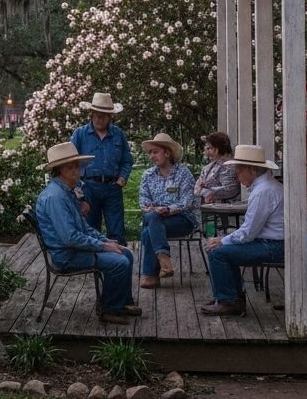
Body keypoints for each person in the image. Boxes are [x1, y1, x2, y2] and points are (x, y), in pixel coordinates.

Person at [34, 142, 142, 325]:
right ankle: (108, 309)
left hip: (74, 248)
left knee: (126, 253)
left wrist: (105, 239)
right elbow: (70, 237)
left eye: (77, 166)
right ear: (60, 170)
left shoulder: (67, 192)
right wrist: (103, 246)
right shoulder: (55, 197)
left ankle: (120, 302)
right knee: (119, 262)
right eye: (72, 167)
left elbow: (82, 227)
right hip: (67, 256)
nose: (77, 171)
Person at [201, 144, 284, 316]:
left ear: (249, 169)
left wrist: (223, 240)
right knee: (222, 248)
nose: (236, 174)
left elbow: (248, 232)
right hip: (273, 241)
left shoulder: (263, 191)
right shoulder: (265, 186)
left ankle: (228, 300)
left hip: (274, 245)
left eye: (238, 169)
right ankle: (230, 296)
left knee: (218, 252)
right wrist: (225, 239)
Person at [138, 133, 200, 289]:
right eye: (150, 152)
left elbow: (187, 202)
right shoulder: (148, 175)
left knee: (148, 230)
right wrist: (152, 208)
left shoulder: (183, 173)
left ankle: (151, 275)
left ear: (167, 153)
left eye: (155, 151)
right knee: (152, 217)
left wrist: (168, 210)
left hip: (182, 218)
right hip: (156, 218)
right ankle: (163, 260)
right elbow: (143, 201)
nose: (152, 156)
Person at [70, 92, 133, 243]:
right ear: (91, 114)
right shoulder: (80, 134)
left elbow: (127, 160)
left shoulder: (118, 135)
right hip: (88, 187)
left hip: (113, 187)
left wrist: (123, 177)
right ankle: (96, 265)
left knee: (117, 232)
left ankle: (120, 263)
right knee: (91, 231)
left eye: (103, 115)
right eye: (96, 115)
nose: (99, 118)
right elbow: (71, 164)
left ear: (110, 116)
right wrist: (79, 194)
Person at [194, 132, 240, 204]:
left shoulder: (229, 166)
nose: (206, 153)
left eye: (209, 148)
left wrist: (208, 191)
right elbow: (197, 188)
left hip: (224, 210)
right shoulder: (208, 167)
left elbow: (230, 189)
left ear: (218, 148)